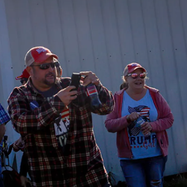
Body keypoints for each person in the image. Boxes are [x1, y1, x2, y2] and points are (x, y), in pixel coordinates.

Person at [7, 46, 114, 187]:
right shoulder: (20, 95)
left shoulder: (71, 85)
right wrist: (57, 103)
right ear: (30, 70)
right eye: (44, 66)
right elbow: (22, 124)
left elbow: (106, 108)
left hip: (89, 175)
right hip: (50, 178)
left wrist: (98, 87)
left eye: (53, 64)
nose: (51, 69)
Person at [105, 63, 174, 187]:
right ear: (126, 78)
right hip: (130, 159)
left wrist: (153, 126)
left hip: (155, 156)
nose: (139, 79)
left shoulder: (154, 94)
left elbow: (169, 119)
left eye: (142, 75)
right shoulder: (118, 98)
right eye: (134, 75)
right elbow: (109, 125)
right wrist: (126, 119)